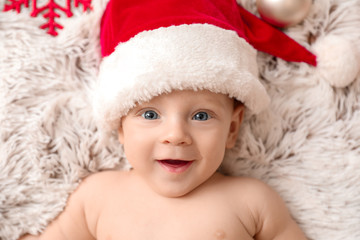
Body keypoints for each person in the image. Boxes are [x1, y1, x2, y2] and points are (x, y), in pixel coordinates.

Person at [20, 0, 317, 239]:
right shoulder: (96, 197)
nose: (175, 135)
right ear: (121, 126)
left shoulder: (252, 201)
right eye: (150, 114)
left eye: (201, 116)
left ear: (232, 128)